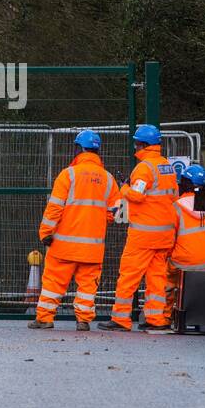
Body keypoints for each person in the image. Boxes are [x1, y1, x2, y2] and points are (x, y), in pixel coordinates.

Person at [28, 129, 121, 330]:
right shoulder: (108, 179)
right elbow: (114, 211)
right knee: (88, 286)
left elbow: (54, 208)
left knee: (53, 282)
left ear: (78, 149)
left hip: (64, 245)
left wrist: (45, 233)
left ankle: (44, 318)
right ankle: (83, 321)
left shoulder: (68, 175)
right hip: (93, 247)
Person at [99, 124, 179, 332]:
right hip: (164, 234)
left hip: (144, 234)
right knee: (157, 278)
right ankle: (157, 319)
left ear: (142, 144)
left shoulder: (144, 168)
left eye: (136, 143)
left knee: (129, 275)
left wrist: (123, 186)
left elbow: (137, 195)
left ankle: (120, 319)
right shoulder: (167, 166)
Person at [167, 164, 205, 311]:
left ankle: (164, 317)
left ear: (186, 184)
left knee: (163, 279)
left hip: (182, 264)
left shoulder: (176, 206)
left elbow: (169, 239)